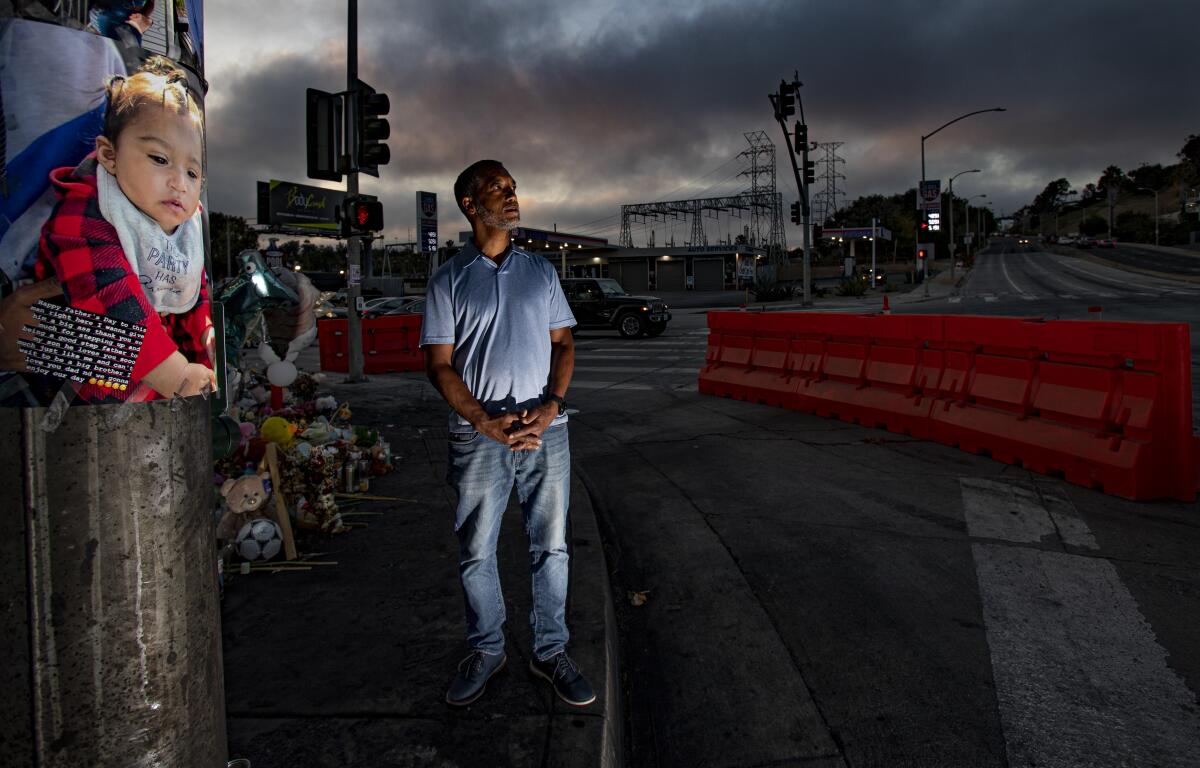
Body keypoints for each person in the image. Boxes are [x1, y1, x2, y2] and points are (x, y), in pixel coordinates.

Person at [421, 160, 594, 708]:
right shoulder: (448, 279)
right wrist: (482, 421)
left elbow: (564, 345)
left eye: (513, 187)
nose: (511, 195)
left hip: (547, 429)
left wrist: (551, 407)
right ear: (471, 205)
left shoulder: (541, 273)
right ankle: (488, 649)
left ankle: (551, 650)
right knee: (477, 550)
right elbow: (440, 365)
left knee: (553, 547)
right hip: (479, 435)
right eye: (498, 188)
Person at [35, 55, 215, 403]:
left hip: (153, 395)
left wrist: (206, 352)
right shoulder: (84, 212)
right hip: (83, 398)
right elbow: (110, 298)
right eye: (159, 159)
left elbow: (194, 295)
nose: (179, 183)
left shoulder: (180, 224)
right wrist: (177, 374)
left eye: (192, 173)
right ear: (109, 155)